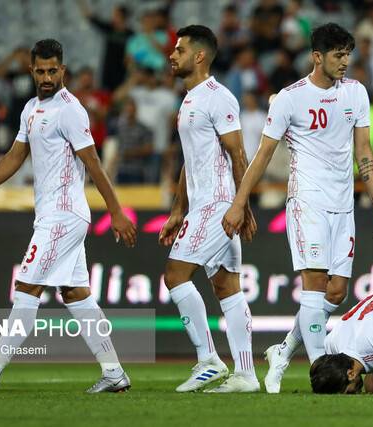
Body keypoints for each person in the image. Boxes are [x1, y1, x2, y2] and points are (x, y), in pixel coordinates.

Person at [0, 39, 137, 394]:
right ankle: (114, 372)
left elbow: (92, 163)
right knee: (76, 293)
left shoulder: (71, 110)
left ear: (63, 70)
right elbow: (13, 157)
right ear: (31, 70)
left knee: (27, 287)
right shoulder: (31, 108)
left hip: (64, 215)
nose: (47, 77)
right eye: (40, 71)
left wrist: (116, 212)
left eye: (53, 70)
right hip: (52, 215)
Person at [222, 23, 373, 394]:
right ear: (317, 57)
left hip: (343, 205)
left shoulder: (357, 93)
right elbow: (263, 155)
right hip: (308, 202)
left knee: (336, 294)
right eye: (338, 55)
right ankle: (322, 377)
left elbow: (364, 151)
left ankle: (282, 352)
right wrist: (240, 202)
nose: (345, 61)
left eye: (348, 54)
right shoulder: (289, 98)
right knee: (315, 287)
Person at [159, 25, 259, 393]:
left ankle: (208, 360)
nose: (173, 55)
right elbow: (191, 160)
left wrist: (240, 205)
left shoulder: (218, 97)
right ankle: (246, 375)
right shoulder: (189, 99)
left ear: (199, 56)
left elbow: (238, 153)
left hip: (218, 206)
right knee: (226, 287)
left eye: (179, 49)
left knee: (175, 275)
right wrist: (176, 210)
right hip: (201, 205)